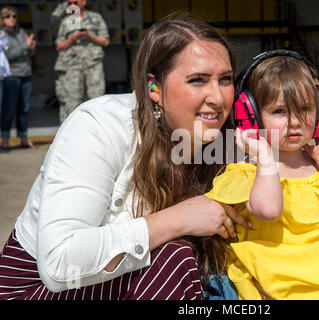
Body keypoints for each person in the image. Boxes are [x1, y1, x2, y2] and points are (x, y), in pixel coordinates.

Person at [0, 15, 250, 300]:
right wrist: (179, 219)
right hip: (38, 291)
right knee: (175, 259)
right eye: (197, 80)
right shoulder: (99, 125)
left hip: (140, 283)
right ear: (153, 87)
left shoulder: (229, 140)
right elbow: (59, 263)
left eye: (226, 79)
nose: (218, 97)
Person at [205, 50, 319, 300]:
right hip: (264, 286)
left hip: (318, 281)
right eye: (279, 111)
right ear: (250, 115)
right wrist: (264, 156)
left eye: (305, 109)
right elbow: (269, 210)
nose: (295, 122)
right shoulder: (249, 171)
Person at [54, 0, 109, 123]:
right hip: (72, 65)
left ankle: (99, 130)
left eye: (76, 2)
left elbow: (105, 41)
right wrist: (72, 39)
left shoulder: (95, 18)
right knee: (72, 100)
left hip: (93, 63)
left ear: (84, 2)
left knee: (97, 99)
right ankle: (69, 133)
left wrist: (89, 36)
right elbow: (59, 46)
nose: (72, 5)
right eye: (70, 3)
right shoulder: (66, 22)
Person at [0, 6, 36, 150]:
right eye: (8, 16)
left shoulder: (21, 32)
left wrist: (31, 47)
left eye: (14, 16)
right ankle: (6, 138)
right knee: (9, 108)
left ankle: (23, 137)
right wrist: (25, 46)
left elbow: (29, 53)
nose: (12, 19)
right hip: (12, 76)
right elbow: (7, 55)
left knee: (24, 108)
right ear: (2, 19)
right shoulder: (2, 35)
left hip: (26, 74)